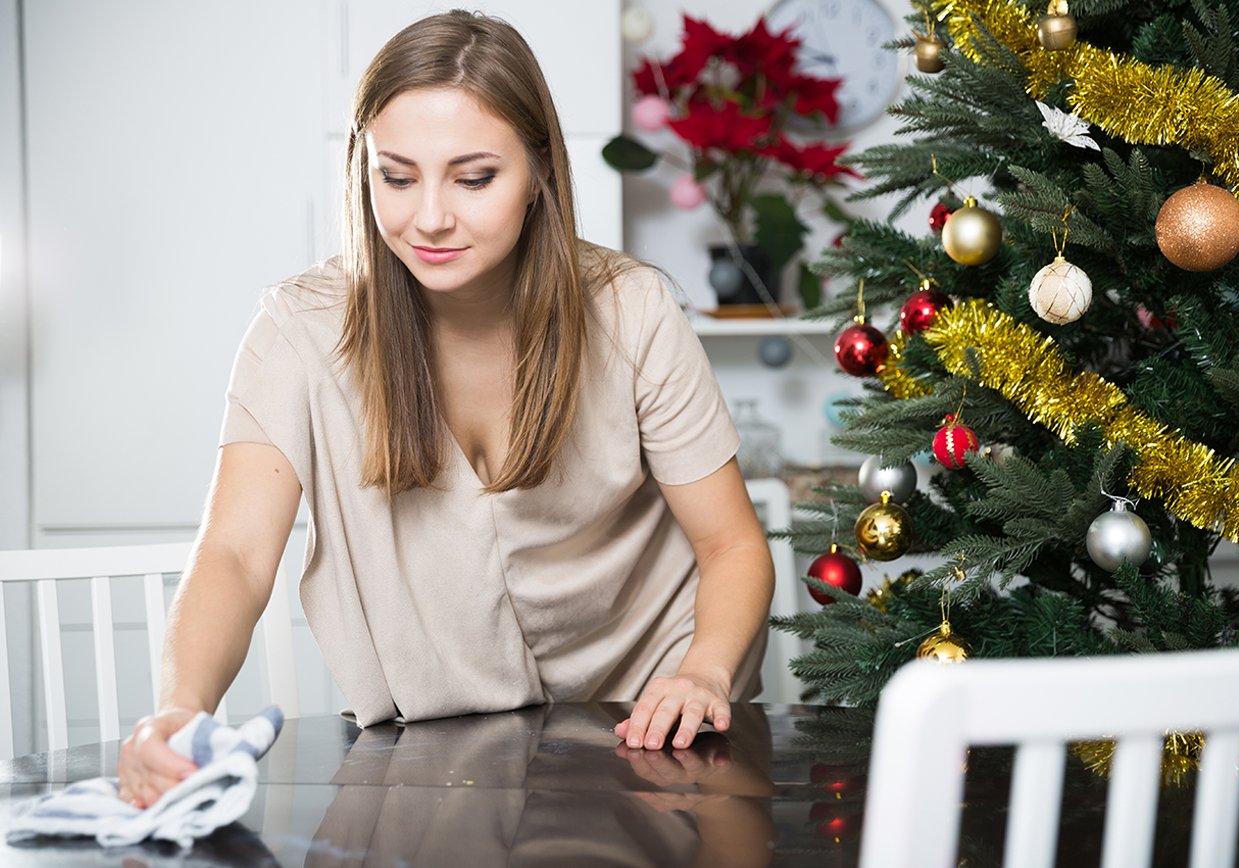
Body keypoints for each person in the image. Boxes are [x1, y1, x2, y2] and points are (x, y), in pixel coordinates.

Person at [117, 9, 774, 809]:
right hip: (443, 769)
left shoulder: (631, 309)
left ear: (538, 174)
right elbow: (235, 555)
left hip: (654, 735)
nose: (428, 217)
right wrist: (180, 711)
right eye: (396, 177)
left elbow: (731, 543)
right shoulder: (298, 331)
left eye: (473, 178)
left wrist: (702, 670)